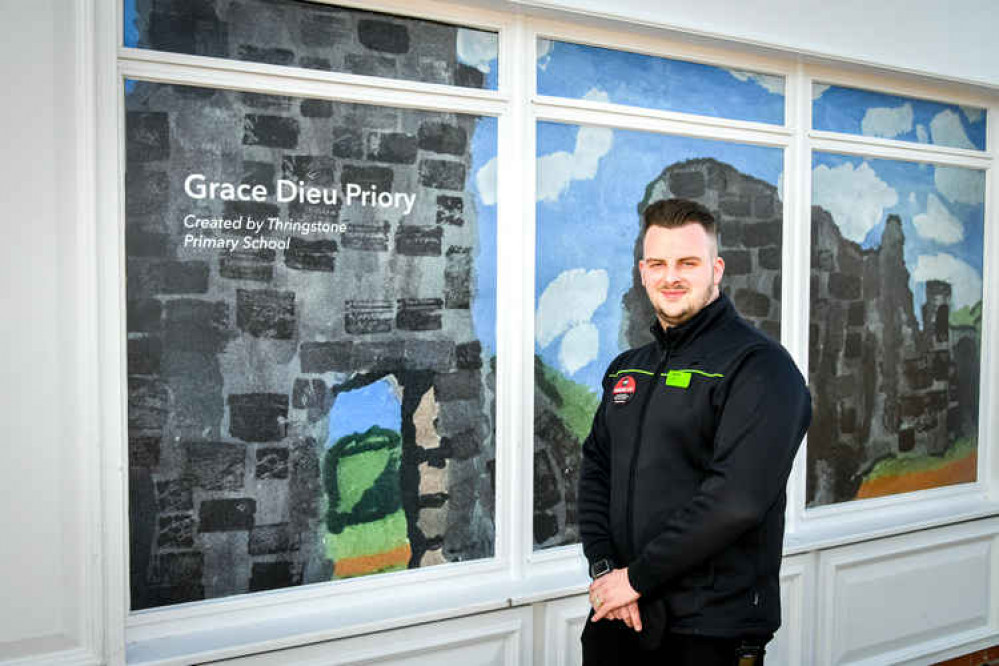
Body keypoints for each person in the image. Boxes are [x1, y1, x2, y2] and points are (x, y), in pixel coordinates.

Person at [577, 198, 811, 665]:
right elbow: (595, 470)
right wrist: (608, 573)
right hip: (621, 615)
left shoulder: (760, 368)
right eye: (658, 264)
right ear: (643, 272)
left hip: (710, 628)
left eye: (688, 262)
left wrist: (635, 578)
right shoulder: (629, 369)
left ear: (716, 268)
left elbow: (735, 500)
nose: (671, 277)